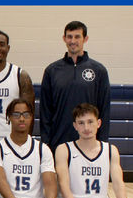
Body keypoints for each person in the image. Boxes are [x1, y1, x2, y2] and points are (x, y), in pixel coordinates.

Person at [40, 20, 111, 153]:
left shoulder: (99, 70)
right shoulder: (52, 71)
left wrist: (102, 144)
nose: (73, 41)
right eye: (69, 37)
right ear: (64, 39)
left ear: (85, 39)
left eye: (77, 36)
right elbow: (45, 113)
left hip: (89, 143)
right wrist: (46, 145)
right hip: (59, 142)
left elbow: (104, 110)